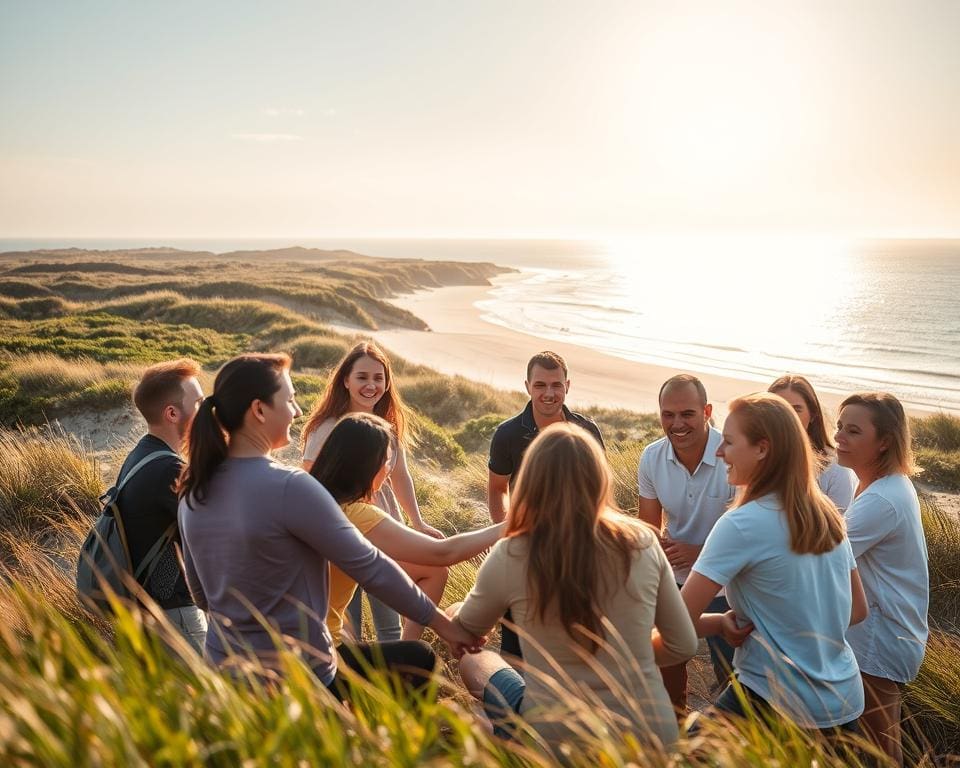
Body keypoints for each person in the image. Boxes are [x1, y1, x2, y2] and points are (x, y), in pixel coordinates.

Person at [177, 353, 482, 697]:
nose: (297, 411)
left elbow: (201, 594)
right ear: (259, 410)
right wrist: (446, 627)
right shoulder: (291, 486)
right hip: (299, 679)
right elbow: (373, 568)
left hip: (225, 674)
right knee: (412, 666)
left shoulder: (193, 490)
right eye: (290, 400)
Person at [452, 423, 698, 751]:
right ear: (599, 479)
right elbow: (683, 645)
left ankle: (500, 741)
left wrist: (457, 615)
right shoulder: (641, 543)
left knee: (476, 658)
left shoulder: (515, 551)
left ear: (531, 482)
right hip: (649, 737)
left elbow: (465, 632)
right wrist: (622, 652)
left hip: (558, 740)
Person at [679, 392, 867, 732]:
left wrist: (720, 624)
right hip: (844, 703)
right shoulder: (827, 515)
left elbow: (676, 620)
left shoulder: (741, 523)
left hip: (774, 701)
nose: (719, 451)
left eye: (730, 442)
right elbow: (857, 611)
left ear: (762, 449)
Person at [309, 412, 504, 644]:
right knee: (419, 656)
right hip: (321, 652)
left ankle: (405, 645)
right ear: (369, 465)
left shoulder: (309, 495)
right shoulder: (356, 514)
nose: (389, 469)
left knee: (431, 574)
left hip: (285, 640)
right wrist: (512, 524)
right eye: (387, 460)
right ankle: (405, 657)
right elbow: (443, 553)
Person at [301, 341, 441, 644]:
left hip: (383, 528)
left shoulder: (388, 428)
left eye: (379, 378)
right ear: (346, 380)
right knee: (344, 627)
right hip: (341, 538)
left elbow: (400, 476)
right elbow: (309, 482)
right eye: (362, 377)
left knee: (389, 625)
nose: (371, 385)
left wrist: (417, 523)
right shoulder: (326, 428)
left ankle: (395, 681)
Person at [487, 351, 603, 659]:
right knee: (515, 644)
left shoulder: (587, 431)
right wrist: (507, 533)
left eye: (556, 385)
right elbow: (497, 489)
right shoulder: (508, 434)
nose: (549, 394)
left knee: (575, 639)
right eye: (540, 385)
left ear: (568, 386)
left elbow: (599, 490)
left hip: (578, 549)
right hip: (525, 545)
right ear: (527, 386)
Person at [836, 392, 928, 766]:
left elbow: (821, 556)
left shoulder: (882, 499)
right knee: (862, 746)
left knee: (881, 753)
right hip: (877, 629)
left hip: (880, 637)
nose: (839, 436)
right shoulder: (878, 484)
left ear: (885, 440)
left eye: (853, 431)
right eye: (840, 426)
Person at [636, 374, 735, 710]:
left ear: (706, 411)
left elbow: (749, 533)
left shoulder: (733, 453)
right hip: (674, 579)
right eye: (668, 414)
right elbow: (647, 527)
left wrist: (699, 552)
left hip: (728, 585)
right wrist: (657, 549)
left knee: (733, 677)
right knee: (667, 668)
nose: (677, 424)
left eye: (687, 414)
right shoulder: (651, 457)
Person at [116, 358, 206, 652]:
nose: (206, 413)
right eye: (199, 403)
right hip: (174, 613)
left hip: (147, 610)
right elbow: (209, 535)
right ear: (172, 413)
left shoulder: (141, 455)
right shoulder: (169, 469)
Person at [768, 374, 856, 511]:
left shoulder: (835, 468)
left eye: (796, 409)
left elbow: (842, 526)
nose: (788, 416)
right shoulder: (756, 457)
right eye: (779, 408)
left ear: (813, 414)